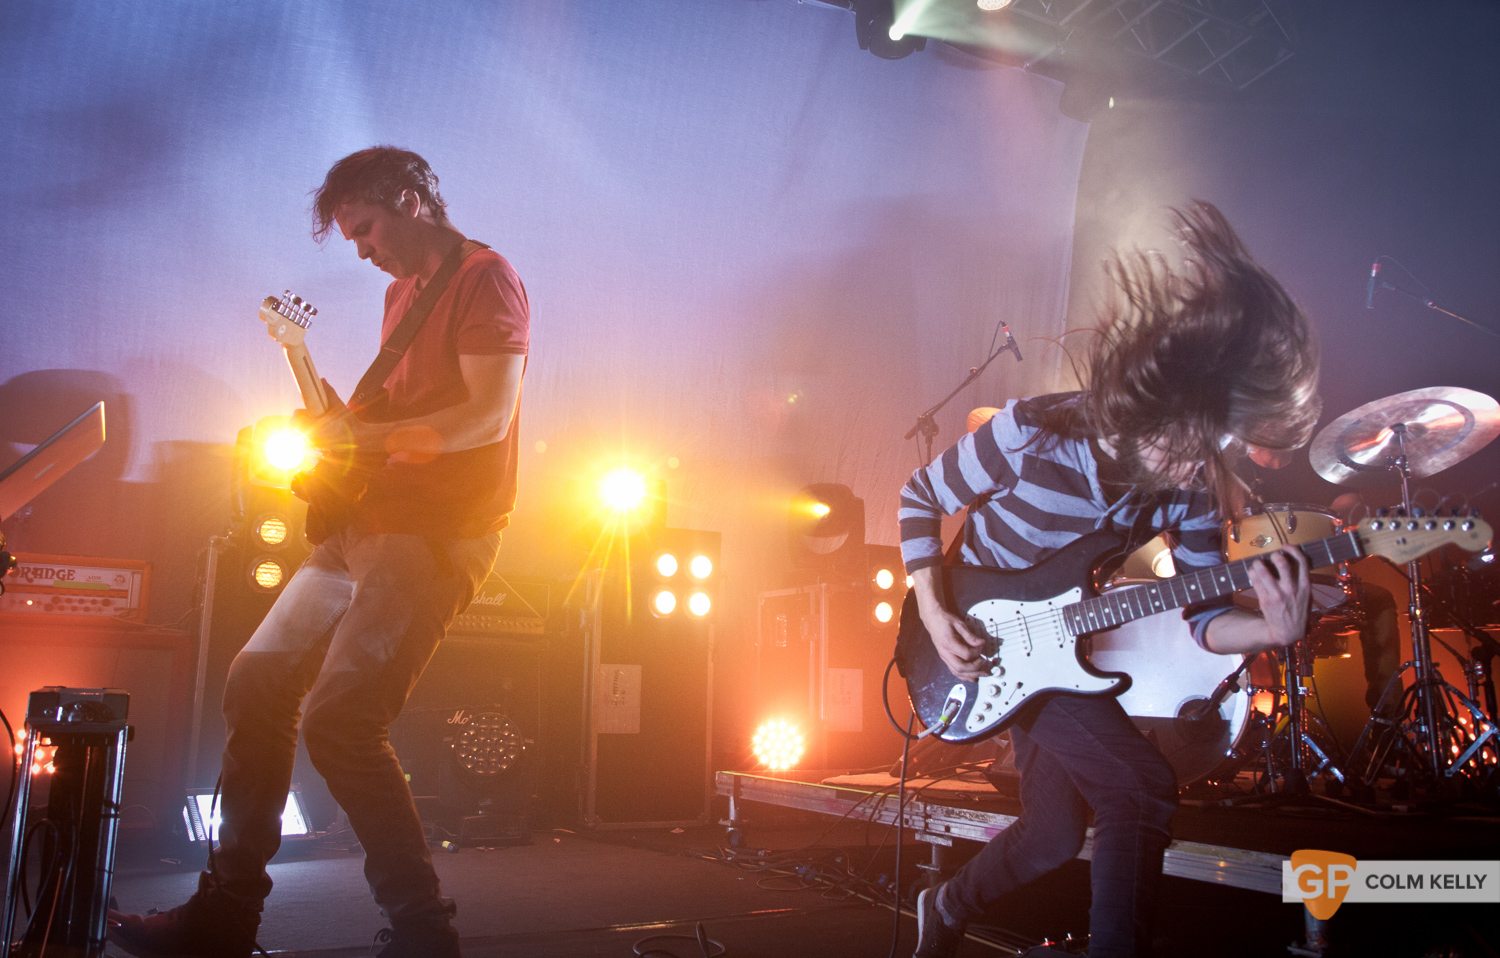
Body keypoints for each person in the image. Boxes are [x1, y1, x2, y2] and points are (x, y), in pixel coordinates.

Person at [109, 147, 530, 958]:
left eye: (365, 228)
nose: (361, 249)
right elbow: (373, 424)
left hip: (436, 532)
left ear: (410, 201)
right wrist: (339, 419)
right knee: (256, 680)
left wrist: (368, 438)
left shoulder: (486, 276)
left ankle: (423, 933)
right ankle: (226, 915)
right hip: (362, 525)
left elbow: (487, 419)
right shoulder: (399, 293)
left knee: (342, 717)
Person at [901, 202, 1320, 958]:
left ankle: (946, 902)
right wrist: (934, 613)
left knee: (1054, 834)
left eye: (1209, 452)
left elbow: (1200, 614)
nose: (1196, 471)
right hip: (972, 634)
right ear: (1146, 408)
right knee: (1138, 790)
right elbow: (918, 498)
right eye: (1185, 449)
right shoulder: (1030, 433)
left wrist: (1268, 629)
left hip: (1050, 655)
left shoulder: (1186, 488)